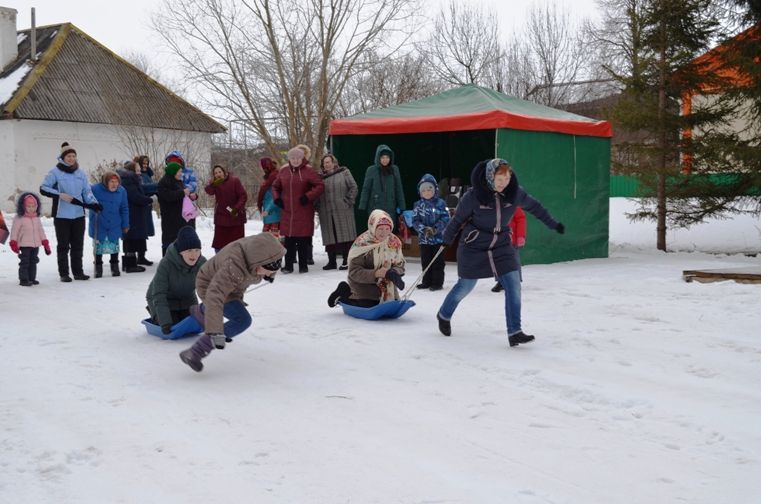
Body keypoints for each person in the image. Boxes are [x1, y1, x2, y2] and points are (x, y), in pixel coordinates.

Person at [435, 158, 564, 347]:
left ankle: (515, 331)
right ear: (489, 177)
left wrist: (553, 224)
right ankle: (444, 314)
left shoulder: (514, 193)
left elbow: (535, 208)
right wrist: (446, 240)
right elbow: (457, 220)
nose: (504, 182)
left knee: (513, 283)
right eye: (499, 178)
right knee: (466, 285)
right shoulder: (473, 196)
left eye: (507, 177)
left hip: (501, 244)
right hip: (474, 245)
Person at [178, 232, 286, 372]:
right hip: (210, 285)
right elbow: (215, 294)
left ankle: (202, 311)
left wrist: (271, 273)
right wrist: (216, 332)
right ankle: (195, 352)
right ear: (258, 261)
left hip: (231, 287)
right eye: (266, 271)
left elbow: (272, 257)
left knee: (234, 311)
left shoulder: (259, 253)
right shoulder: (234, 265)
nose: (267, 274)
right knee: (242, 320)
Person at [40, 142, 101, 282]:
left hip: (78, 214)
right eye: (68, 156)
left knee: (77, 244)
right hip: (61, 215)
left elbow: (87, 191)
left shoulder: (80, 173)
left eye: (74, 156)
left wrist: (94, 203)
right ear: (63, 157)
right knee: (63, 245)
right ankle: (64, 273)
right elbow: (43, 188)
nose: (71, 158)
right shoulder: (54, 172)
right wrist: (59, 194)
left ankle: (78, 272)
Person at [327, 209, 406, 308]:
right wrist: (376, 273)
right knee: (368, 305)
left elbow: (400, 265)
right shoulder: (362, 244)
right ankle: (344, 293)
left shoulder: (394, 242)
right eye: (380, 229)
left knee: (388, 304)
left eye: (387, 229)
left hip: (385, 287)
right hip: (363, 285)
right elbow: (354, 272)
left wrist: (393, 272)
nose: (384, 233)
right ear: (373, 227)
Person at [271, 147, 324, 273]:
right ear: (289, 159)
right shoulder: (283, 171)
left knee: (302, 239)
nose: (295, 160)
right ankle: (288, 265)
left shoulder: (308, 171)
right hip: (287, 210)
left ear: (302, 158)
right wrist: (277, 198)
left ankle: (303, 265)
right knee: (289, 239)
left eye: (298, 158)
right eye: (292, 158)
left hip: (303, 210)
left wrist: (308, 196)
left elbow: (320, 185)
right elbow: (275, 186)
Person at [146, 226, 207, 334]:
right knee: (174, 327)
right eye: (189, 250)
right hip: (161, 299)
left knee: (193, 325)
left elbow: (212, 286)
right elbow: (159, 294)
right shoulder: (166, 264)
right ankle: (155, 315)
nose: (194, 254)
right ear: (180, 252)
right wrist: (164, 322)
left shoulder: (202, 263)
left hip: (186, 299)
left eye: (197, 250)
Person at [315, 153, 357, 270]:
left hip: (343, 209)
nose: (327, 165)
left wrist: (348, 201)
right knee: (330, 236)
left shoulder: (344, 172)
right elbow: (316, 193)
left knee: (345, 235)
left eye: (329, 162)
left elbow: (353, 187)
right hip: (326, 211)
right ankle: (331, 262)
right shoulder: (319, 178)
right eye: (325, 163)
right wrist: (318, 206)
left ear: (334, 163)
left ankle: (346, 260)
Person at [411, 173, 450, 291]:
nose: (427, 192)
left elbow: (446, 218)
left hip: (438, 239)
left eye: (430, 189)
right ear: (420, 192)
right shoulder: (418, 205)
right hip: (424, 240)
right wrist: (423, 229)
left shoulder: (441, 203)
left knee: (438, 262)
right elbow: (415, 220)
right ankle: (426, 281)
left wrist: (435, 229)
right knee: (426, 261)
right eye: (424, 190)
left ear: (435, 190)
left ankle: (437, 283)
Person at [89, 171, 130, 277]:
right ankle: (98, 268)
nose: (114, 184)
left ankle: (114, 267)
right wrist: (93, 208)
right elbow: (88, 201)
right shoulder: (95, 189)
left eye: (116, 182)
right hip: (99, 222)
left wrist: (125, 224)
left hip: (115, 222)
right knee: (99, 247)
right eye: (112, 181)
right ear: (106, 182)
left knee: (114, 245)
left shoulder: (121, 191)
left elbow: (124, 208)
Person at [358, 144, 406, 230]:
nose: (385, 160)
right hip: (375, 207)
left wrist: (402, 206)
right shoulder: (371, 170)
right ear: (378, 158)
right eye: (383, 157)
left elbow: (399, 188)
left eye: (387, 157)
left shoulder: (394, 170)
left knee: (389, 229)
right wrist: (362, 206)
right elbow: (366, 189)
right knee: (376, 229)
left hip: (390, 206)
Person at [119, 161, 154, 274]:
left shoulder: (134, 180)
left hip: (136, 213)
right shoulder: (128, 181)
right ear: (132, 171)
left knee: (135, 237)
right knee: (131, 238)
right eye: (138, 170)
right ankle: (130, 265)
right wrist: (149, 200)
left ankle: (132, 262)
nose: (140, 172)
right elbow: (135, 196)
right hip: (131, 214)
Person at [9, 192, 51, 286]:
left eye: (33, 206)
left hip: (36, 244)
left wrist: (45, 242)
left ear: (37, 206)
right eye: (29, 206)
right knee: (25, 262)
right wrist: (13, 242)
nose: (31, 208)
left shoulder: (36, 218)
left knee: (34, 261)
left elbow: (41, 231)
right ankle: (24, 279)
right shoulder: (19, 218)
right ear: (23, 206)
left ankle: (31, 278)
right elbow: (14, 231)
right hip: (24, 245)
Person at [205, 164, 248, 252]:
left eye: (219, 172)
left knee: (236, 244)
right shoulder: (215, 183)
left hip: (235, 216)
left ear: (224, 172)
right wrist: (213, 185)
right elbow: (209, 191)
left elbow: (243, 196)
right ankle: (219, 262)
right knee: (219, 244)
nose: (218, 174)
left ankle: (238, 262)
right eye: (215, 173)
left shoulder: (234, 180)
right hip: (221, 217)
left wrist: (236, 208)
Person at [157, 161, 189, 256]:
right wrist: (182, 193)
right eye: (179, 171)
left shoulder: (178, 181)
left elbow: (181, 194)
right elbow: (168, 196)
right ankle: (167, 259)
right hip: (169, 217)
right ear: (173, 172)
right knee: (169, 239)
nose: (181, 174)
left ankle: (178, 259)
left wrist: (190, 195)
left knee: (178, 238)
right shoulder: (163, 183)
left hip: (179, 217)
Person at [492, 207, 526, 293]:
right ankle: (501, 282)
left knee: (513, 261)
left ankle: (515, 282)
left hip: (511, 239)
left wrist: (520, 236)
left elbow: (521, 220)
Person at [165, 150, 198, 228]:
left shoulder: (189, 172)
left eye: (177, 161)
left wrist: (183, 190)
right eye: (172, 162)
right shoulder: (168, 175)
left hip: (188, 206)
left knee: (189, 227)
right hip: (175, 208)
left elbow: (193, 185)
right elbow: (168, 190)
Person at [136, 155, 158, 266]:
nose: (145, 165)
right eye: (143, 163)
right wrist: (156, 185)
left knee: (144, 232)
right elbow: (144, 187)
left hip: (147, 205)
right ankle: (140, 256)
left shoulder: (148, 174)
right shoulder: (139, 176)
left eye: (146, 163)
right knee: (140, 231)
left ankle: (142, 255)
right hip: (141, 205)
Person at [257, 157, 282, 238]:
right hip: (269, 215)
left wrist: (268, 209)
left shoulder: (275, 176)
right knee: (268, 242)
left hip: (274, 214)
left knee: (274, 242)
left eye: (262, 167)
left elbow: (276, 196)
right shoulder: (269, 177)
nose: (261, 169)